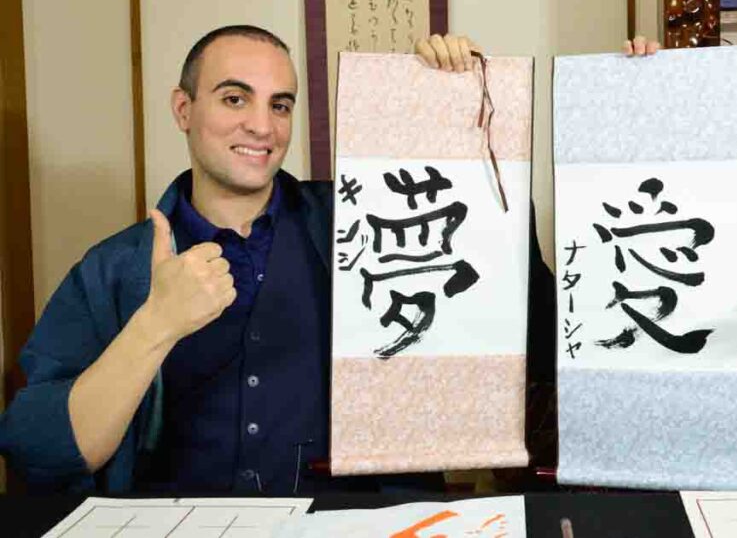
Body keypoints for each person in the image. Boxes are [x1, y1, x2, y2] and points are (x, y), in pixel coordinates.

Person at [0, 25, 508, 494]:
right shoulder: (115, 267)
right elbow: (39, 452)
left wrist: (452, 96)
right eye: (234, 99)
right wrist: (155, 324)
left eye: (280, 106)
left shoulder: (358, 225)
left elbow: (476, 238)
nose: (262, 126)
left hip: (348, 519)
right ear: (183, 109)